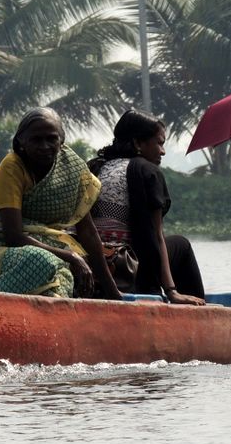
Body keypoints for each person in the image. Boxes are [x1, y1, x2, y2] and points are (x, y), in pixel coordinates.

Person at [0, 107, 122, 300]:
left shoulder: (72, 168)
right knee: (43, 261)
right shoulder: (12, 168)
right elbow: (13, 236)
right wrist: (70, 256)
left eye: (51, 139)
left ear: (61, 141)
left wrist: (113, 292)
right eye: (36, 139)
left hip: (43, 242)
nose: (44, 146)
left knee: (94, 260)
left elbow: (88, 231)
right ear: (21, 141)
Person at [88, 110, 206, 305]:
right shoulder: (147, 171)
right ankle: (198, 311)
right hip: (127, 266)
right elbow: (156, 236)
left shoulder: (94, 167)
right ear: (137, 143)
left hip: (92, 263)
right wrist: (171, 291)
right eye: (159, 143)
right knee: (181, 245)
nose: (163, 151)